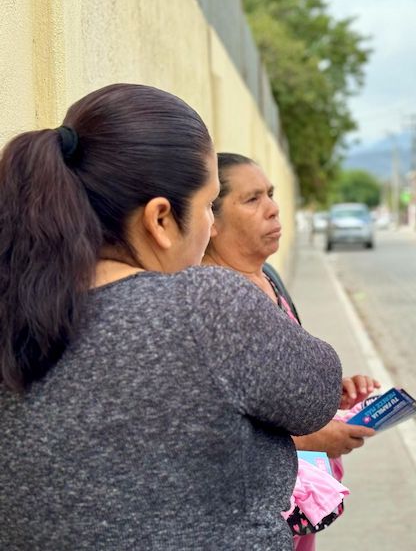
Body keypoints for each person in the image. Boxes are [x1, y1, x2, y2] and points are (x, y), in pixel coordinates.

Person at [0, 84, 342, 550]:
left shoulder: (14, 306)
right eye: (207, 206)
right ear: (160, 219)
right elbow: (317, 393)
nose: (210, 227)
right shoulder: (204, 306)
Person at [202, 152, 379, 551]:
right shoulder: (209, 303)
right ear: (211, 220)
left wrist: (330, 394)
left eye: (271, 194)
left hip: (296, 503)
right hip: (248, 515)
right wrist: (312, 437)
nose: (273, 209)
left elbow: (275, 389)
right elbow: (215, 428)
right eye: (252, 200)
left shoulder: (270, 278)